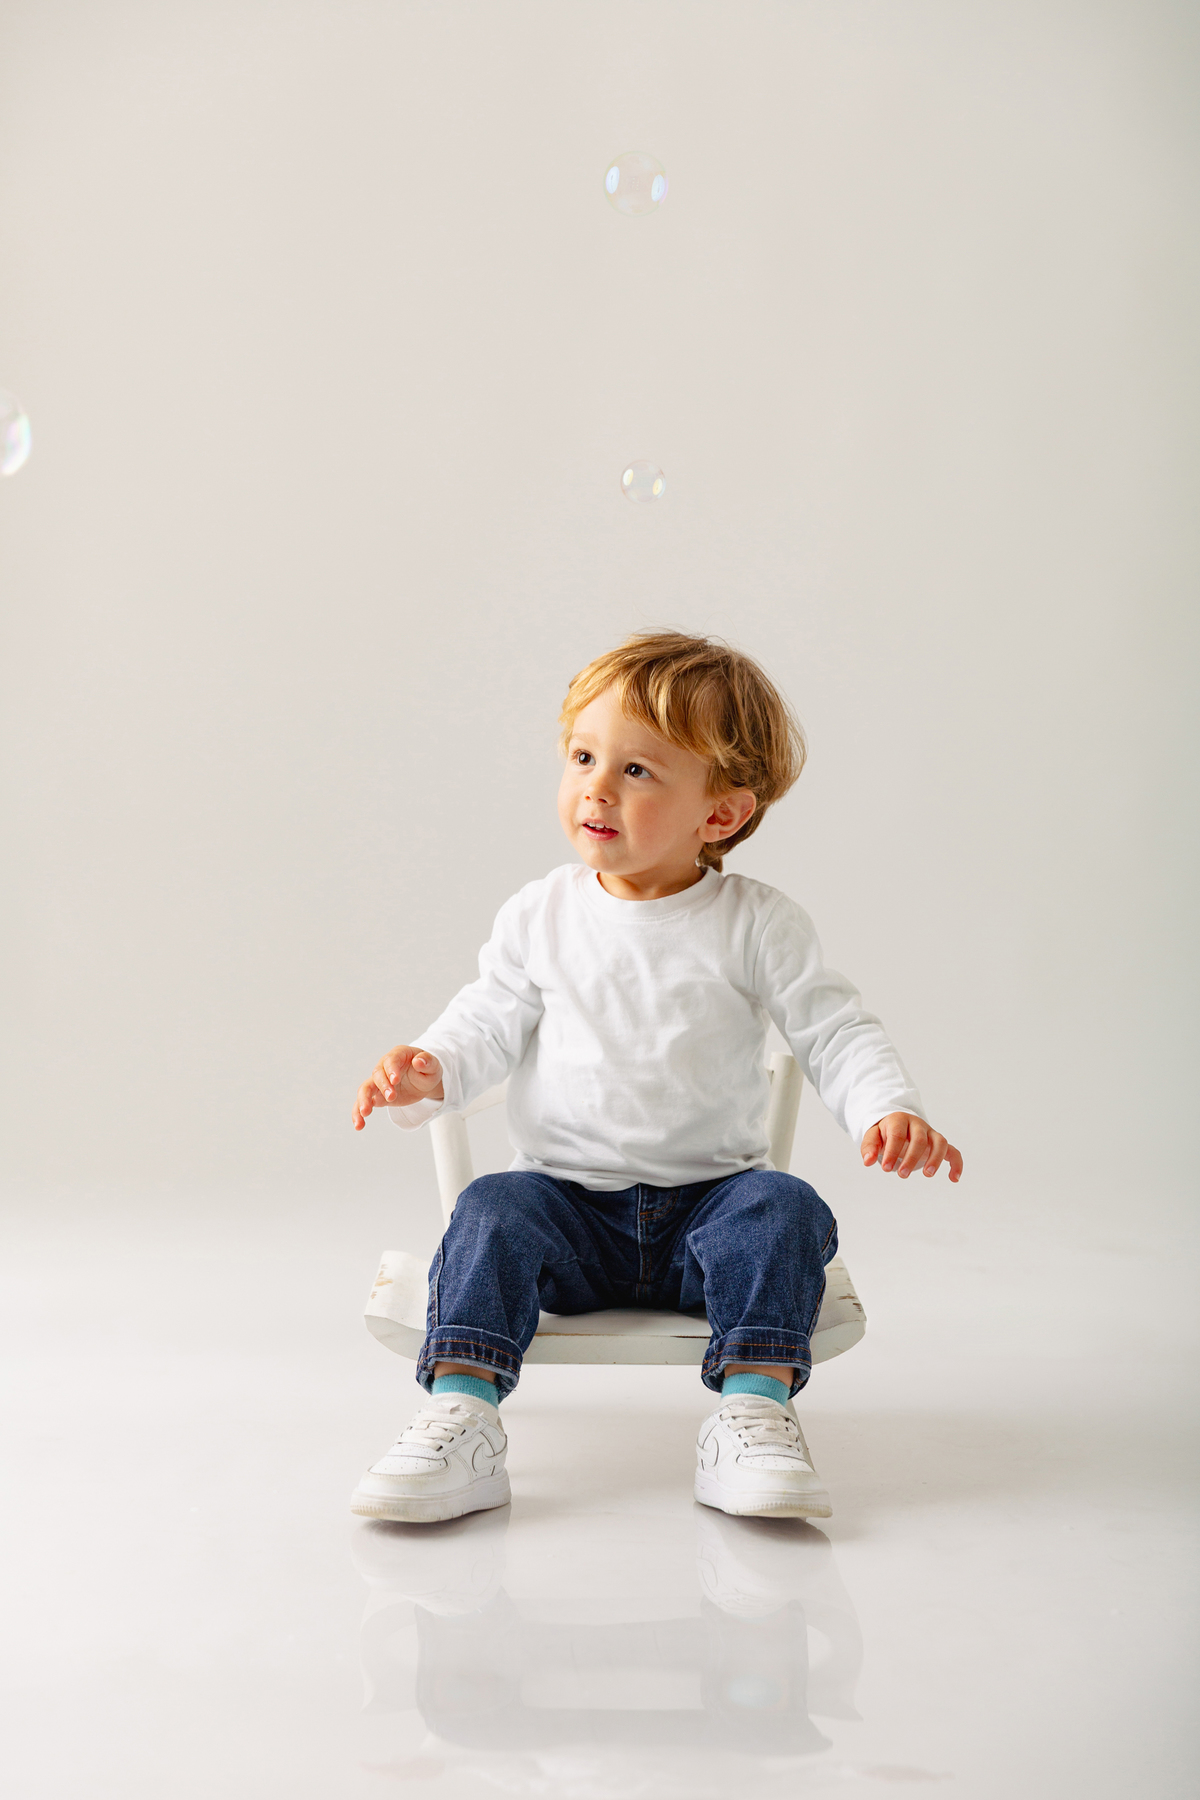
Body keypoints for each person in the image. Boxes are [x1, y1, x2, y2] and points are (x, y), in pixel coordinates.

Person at [349, 631, 962, 1524]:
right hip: (565, 1208)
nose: (596, 787)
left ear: (720, 814)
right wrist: (430, 1067)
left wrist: (886, 1106)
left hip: (710, 1213)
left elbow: (833, 1030)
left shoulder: (756, 922)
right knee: (489, 1211)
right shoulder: (540, 913)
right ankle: (462, 1416)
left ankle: (752, 1415)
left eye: (637, 770)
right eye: (583, 757)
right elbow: (486, 1019)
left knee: (783, 1209)